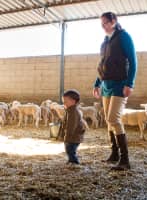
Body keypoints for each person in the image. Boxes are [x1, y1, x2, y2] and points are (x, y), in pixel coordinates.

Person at [93, 12, 137, 170]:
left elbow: (133, 61)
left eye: (106, 23)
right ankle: (114, 154)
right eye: (102, 24)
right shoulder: (105, 42)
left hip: (120, 84)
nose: (103, 26)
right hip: (105, 85)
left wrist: (130, 83)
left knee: (113, 118)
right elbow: (102, 64)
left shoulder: (124, 37)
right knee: (107, 120)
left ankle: (125, 160)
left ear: (114, 21)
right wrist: (97, 83)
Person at [58, 89, 86, 164]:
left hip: (73, 137)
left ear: (73, 101)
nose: (64, 103)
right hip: (72, 136)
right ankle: (71, 160)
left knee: (70, 150)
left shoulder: (73, 112)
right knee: (69, 150)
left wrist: (67, 137)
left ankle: (74, 162)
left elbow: (71, 126)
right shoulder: (70, 110)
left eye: (65, 102)